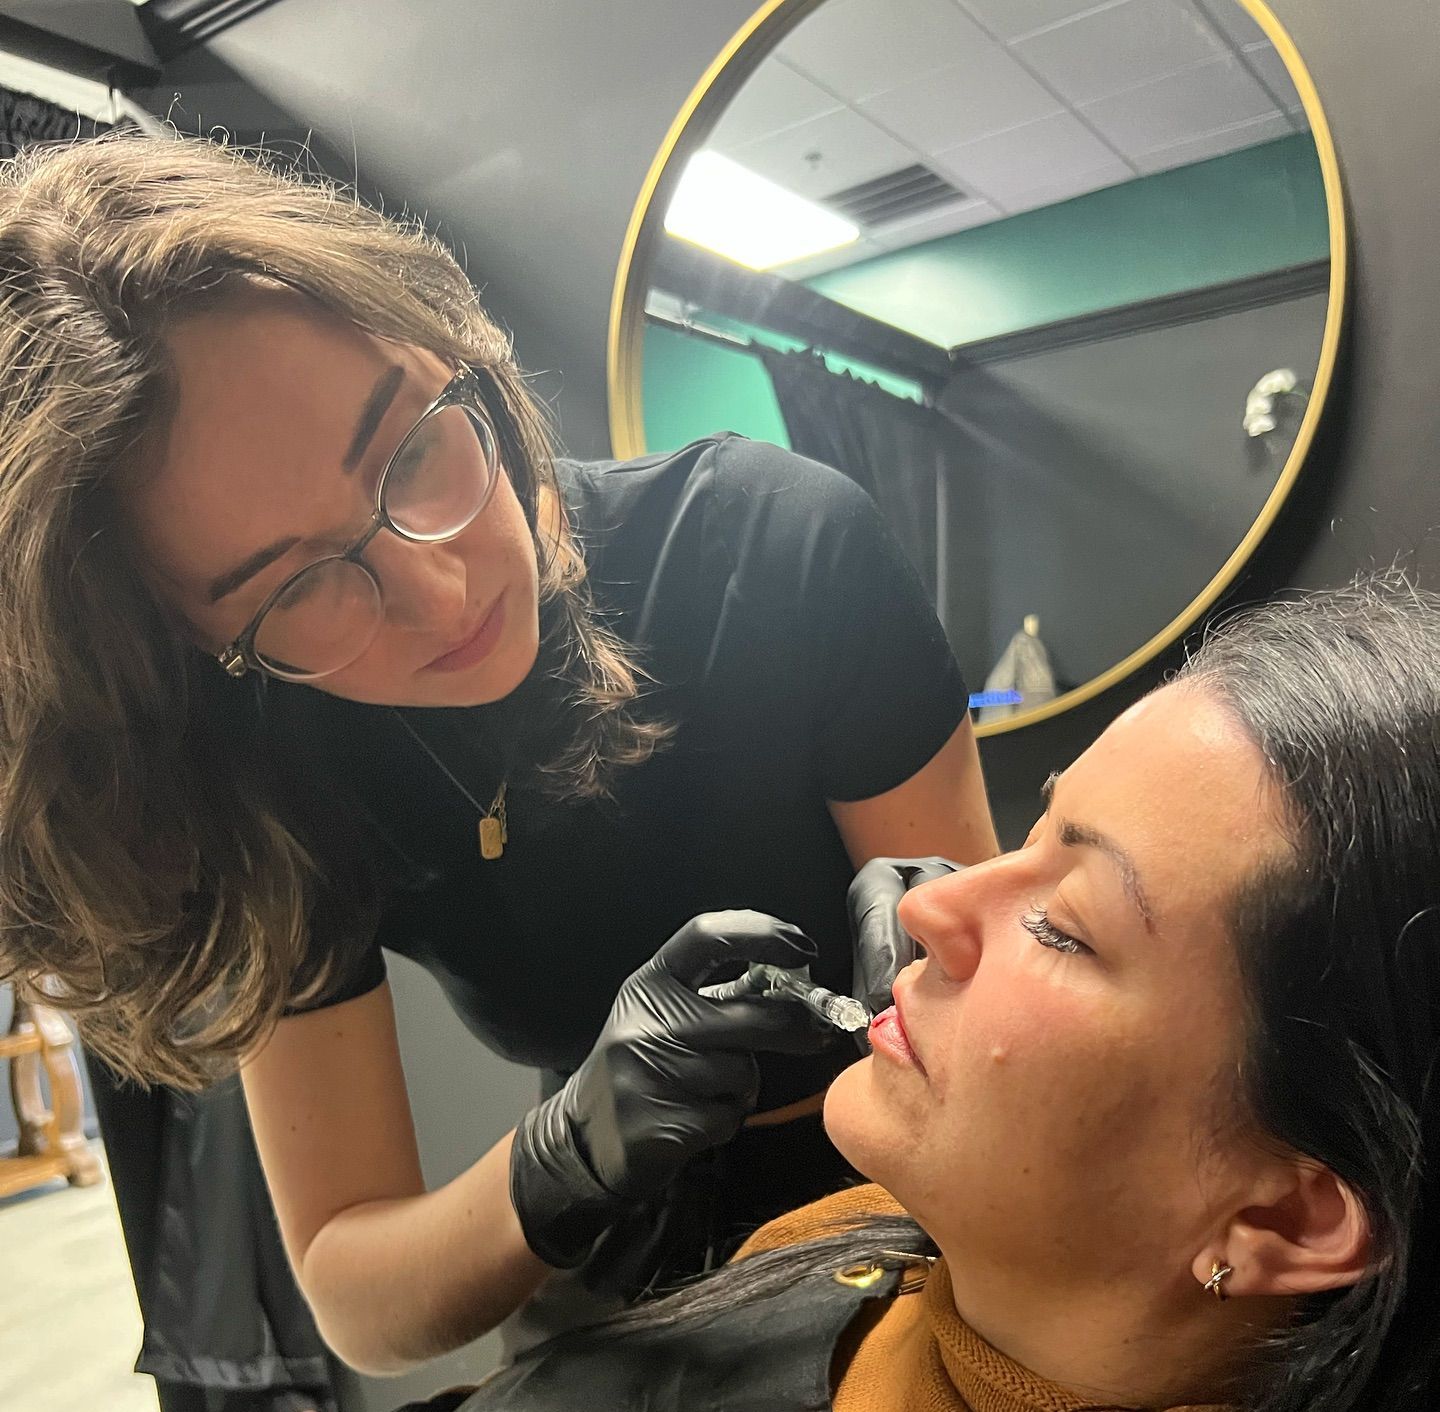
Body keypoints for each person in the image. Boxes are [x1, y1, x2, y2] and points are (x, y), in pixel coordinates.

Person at [0, 131, 997, 1374]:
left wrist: (982, 984)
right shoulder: (276, 781)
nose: (438, 581)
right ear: (194, 644)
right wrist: (561, 1155)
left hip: (924, 1203)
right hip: (617, 1289)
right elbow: (355, 1294)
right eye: (300, 584)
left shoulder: (774, 548)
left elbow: (999, 1052)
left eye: (411, 446)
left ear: (449, 345)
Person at [431, 579, 1440, 1412]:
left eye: (1067, 923)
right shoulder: (857, 1256)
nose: (932, 902)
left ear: (1287, 1218)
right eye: (1034, 830)